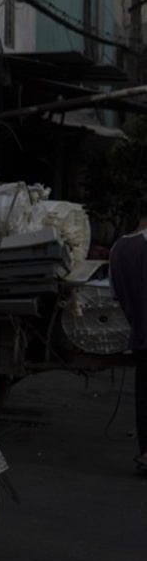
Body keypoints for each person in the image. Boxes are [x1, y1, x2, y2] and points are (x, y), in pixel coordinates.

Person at [110, 200, 147, 473]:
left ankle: (145, 453)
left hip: (139, 333)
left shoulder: (119, 248)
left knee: (144, 395)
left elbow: (115, 294)